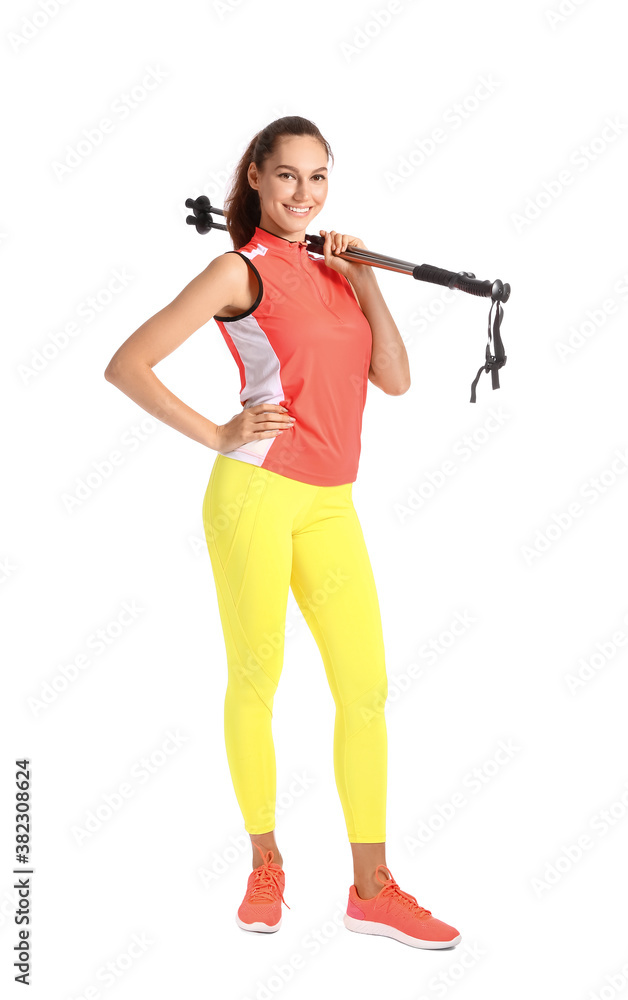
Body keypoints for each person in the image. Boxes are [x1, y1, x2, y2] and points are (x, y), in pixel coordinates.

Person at [104, 115, 461, 950]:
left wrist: (365, 275)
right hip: (257, 494)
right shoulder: (239, 269)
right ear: (257, 178)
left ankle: (371, 889)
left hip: (332, 501)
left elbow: (397, 379)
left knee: (365, 690)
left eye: (320, 177)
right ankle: (266, 865)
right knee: (257, 682)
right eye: (289, 176)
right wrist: (218, 433)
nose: (305, 193)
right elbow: (127, 362)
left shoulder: (336, 273)